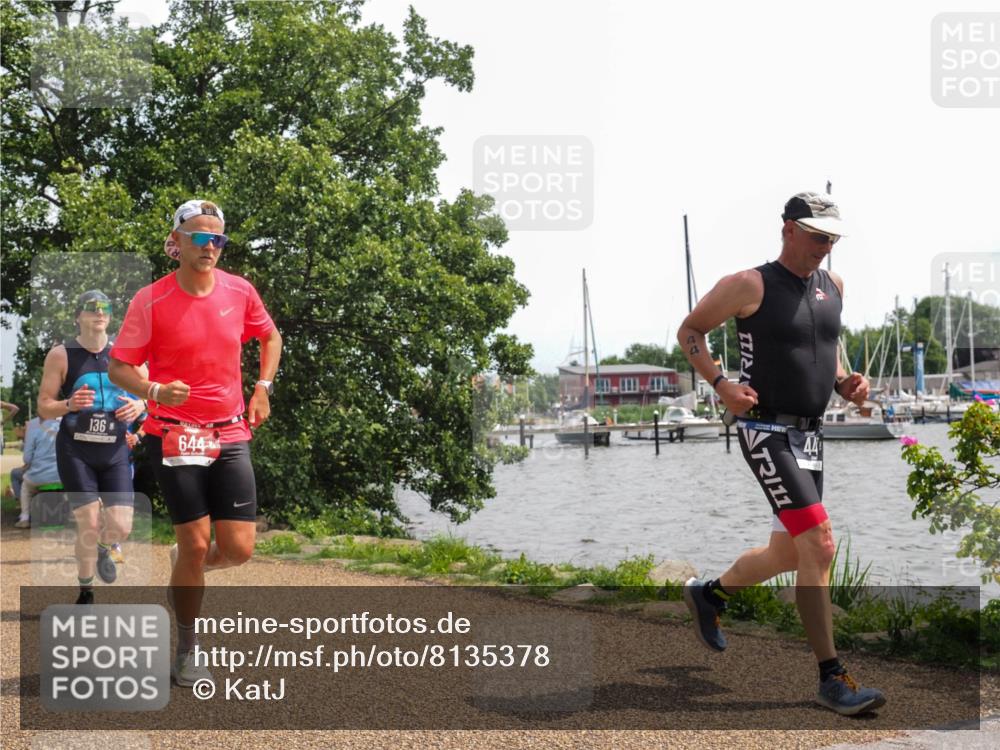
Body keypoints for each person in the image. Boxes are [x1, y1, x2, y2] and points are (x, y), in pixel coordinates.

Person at [676, 192, 886, 716]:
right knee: (820, 542)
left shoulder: (832, 286)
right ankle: (831, 678)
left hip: (810, 436)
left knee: (790, 553)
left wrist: (846, 384)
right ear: (788, 229)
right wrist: (720, 384)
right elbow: (690, 331)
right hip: (765, 429)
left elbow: (826, 350)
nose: (826, 246)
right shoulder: (749, 284)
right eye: (817, 235)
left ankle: (710, 595)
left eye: (832, 238)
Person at [108, 199, 282, 688]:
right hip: (174, 432)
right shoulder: (151, 300)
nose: (211, 246)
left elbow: (271, 338)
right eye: (201, 237)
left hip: (229, 431)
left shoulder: (240, 291)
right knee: (196, 541)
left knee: (239, 549)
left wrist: (262, 387)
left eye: (218, 239)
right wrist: (154, 391)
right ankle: (189, 647)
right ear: (178, 241)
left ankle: (187, 564)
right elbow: (119, 366)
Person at [37, 290, 147, 604]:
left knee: (122, 527)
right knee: (89, 521)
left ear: (110, 316)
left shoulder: (125, 353)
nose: (99, 312)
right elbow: (44, 407)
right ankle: (86, 590)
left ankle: (103, 550)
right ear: (78, 316)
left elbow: (152, 392)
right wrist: (69, 404)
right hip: (76, 451)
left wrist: (139, 405)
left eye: (105, 308)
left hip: (114, 451)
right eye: (91, 308)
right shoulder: (61, 355)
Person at [14, 415, 61, 528]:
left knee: (25, 486)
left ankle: (25, 517)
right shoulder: (64, 423)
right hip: (62, 476)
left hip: (39, 476)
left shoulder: (34, 424)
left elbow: (27, 458)